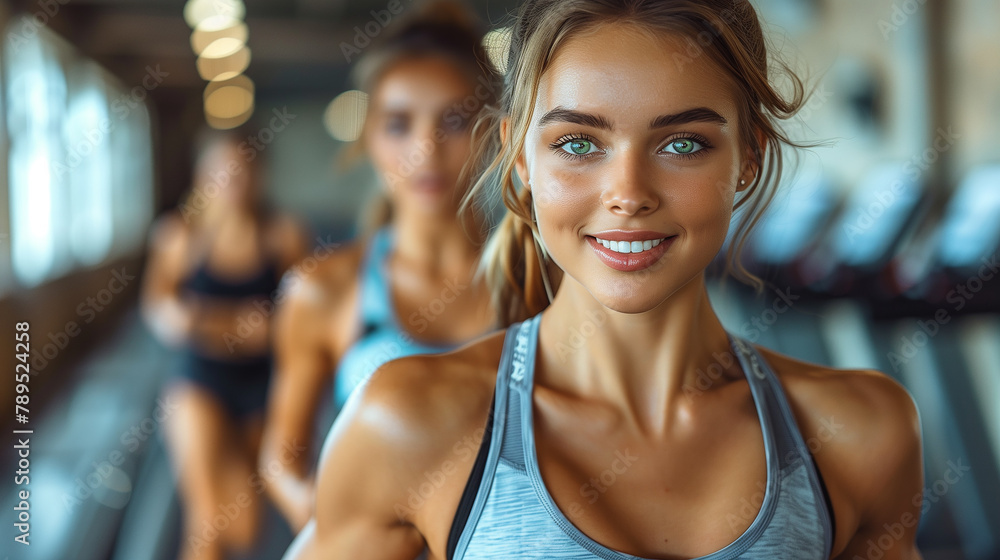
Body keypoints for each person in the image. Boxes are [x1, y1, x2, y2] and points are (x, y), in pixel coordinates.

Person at [285, 1, 925, 559]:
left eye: (682, 144)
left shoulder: (859, 431)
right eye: (578, 144)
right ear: (520, 156)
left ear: (748, 157)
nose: (628, 194)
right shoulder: (408, 423)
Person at [258, 0, 499, 534]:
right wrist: (337, 529)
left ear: (493, 131)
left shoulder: (543, 278)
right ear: (368, 139)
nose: (426, 149)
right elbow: (281, 460)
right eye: (398, 124)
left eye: (454, 120)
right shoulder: (324, 289)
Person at [140, 127, 307, 560]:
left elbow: (301, 321)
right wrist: (238, 323)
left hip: (262, 388)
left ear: (259, 174)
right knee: (207, 517)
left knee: (246, 527)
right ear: (202, 175)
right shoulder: (180, 236)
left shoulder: (282, 235)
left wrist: (204, 318)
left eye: (241, 169)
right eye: (221, 170)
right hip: (198, 383)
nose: (231, 179)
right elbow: (163, 313)